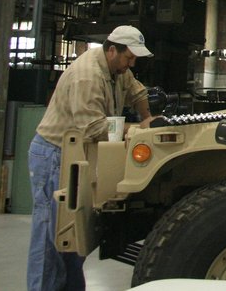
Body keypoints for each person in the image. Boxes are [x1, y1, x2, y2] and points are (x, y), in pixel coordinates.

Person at [27, 25, 155, 291]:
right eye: (128, 58)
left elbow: (137, 92)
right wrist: (141, 130)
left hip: (78, 155)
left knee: (74, 237)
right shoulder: (87, 77)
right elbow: (94, 129)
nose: (131, 64)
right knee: (51, 236)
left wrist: (148, 119)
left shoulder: (118, 69)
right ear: (111, 50)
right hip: (54, 155)